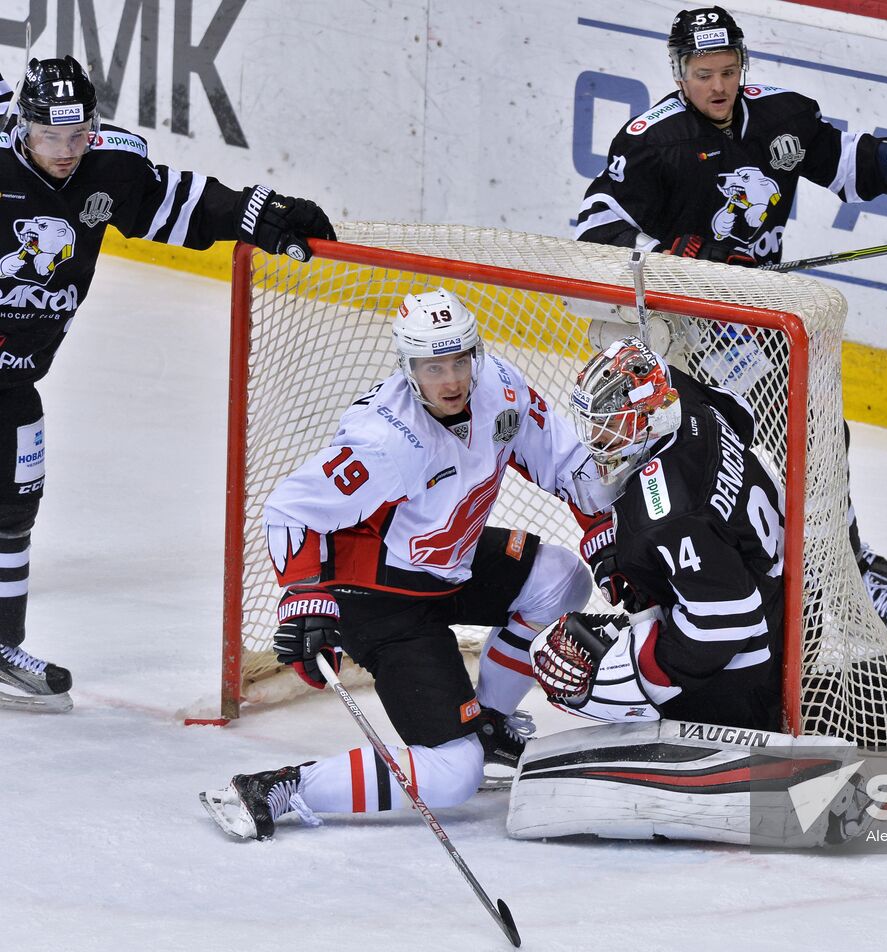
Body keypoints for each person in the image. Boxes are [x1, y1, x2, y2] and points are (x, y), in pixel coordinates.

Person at [573, 5, 887, 645]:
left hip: (753, 323)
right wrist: (673, 255)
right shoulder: (652, 142)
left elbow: (851, 166)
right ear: (679, 73)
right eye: (703, 73)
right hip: (678, 331)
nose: (718, 86)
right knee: (700, 459)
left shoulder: (781, 117)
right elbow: (592, 229)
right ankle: (693, 584)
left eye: (729, 70)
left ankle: (843, 571)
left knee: (816, 437)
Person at [199, 289, 600, 840]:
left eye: (460, 360)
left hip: (448, 562)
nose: (452, 379)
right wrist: (305, 603)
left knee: (563, 578)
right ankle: (282, 786)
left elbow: (564, 458)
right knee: (453, 776)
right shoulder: (386, 440)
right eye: (434, 366)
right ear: (409, 368)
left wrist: (608, 527)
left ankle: (487, 724)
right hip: (384, 603)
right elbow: (291, 508)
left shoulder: (501, 388)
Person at [0, 57, 336, 712]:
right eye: (51, 138)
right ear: (22, 127)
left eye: (79, 136)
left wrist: (260, 216)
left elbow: (179, 205)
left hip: (16, 375)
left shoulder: (111, 168)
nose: (66, 153)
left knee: (15, 508)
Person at [532, 336, 786, 730]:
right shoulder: (676, 390)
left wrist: (641, 668)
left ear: (648, 420)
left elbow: (730, 620)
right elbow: (743, 418)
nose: (597, 442)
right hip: (786, 584)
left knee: (589, 678)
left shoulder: (669, 514)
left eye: (612, 427)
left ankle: (739, 721)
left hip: (757, 655)